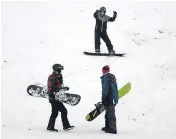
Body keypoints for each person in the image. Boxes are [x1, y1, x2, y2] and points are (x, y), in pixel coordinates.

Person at [47, 64, 74, 132]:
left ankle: (50, 127)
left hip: (58, 96)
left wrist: (64, 88)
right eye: (60, 69)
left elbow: (59, 86)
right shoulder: (52, 76)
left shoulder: (59, 76)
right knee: (63, 111)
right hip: (53, 97)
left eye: (61, 69)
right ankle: (65, 126)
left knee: (55, 112)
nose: (61, 70)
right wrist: (58, 89)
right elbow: (51, 87)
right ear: (56, 69)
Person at [101, 65, 118, 134]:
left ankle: (113, 129)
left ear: (104, 71)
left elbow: (105, 89)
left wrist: (103, 98)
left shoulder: (106, 78)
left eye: (102, 71)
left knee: (110, 114)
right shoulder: (112, 76)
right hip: (113, 97)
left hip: (109, 97)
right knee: (108, 113)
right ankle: (107, 127)